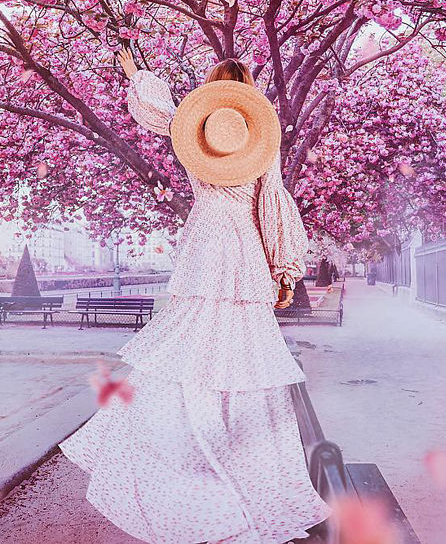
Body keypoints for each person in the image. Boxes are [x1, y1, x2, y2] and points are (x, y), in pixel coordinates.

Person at [60, 49, 330, 544]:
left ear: (210, 94)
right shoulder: (258, 143)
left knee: (190, 354)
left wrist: (138, 73)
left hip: (204, 248)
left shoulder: (197, 131)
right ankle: (244, 473)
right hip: (243, 252)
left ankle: (187, 465)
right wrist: (285, 271)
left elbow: (160, 113)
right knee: (244, 358)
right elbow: (272, 209)